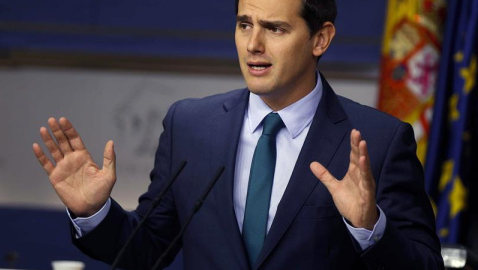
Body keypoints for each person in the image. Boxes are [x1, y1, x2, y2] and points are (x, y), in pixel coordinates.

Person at [33, 0, 445, 269]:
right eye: (244, 24)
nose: (253, 44)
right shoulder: (190, 125)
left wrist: (370, 227)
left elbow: (424, 265)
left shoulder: (379, 140)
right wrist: (93, 213)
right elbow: (147, 251)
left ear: (321, 38)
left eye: (275, 29)